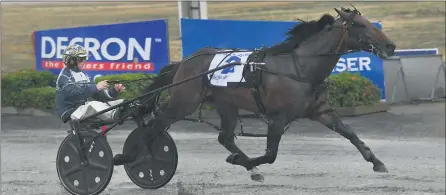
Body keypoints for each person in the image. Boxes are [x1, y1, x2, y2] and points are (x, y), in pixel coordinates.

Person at [55, 44, 128, 124]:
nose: (84, 61)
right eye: (81, 59)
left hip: (82, 108)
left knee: (121, 102)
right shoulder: (64, 77)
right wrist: (96, 87)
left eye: (85, 58)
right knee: (93, 105)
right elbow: (74, 94)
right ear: (71, 61)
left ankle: (131, 109)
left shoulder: (83, 75)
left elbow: (98, 96)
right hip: (70, 112)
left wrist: (114, 91)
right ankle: (115, 115)